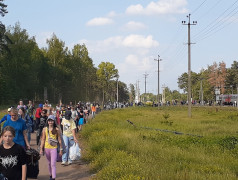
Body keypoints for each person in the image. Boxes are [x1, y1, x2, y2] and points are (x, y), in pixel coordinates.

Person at [40, 115, 63, 180]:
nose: (50, 122)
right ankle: (50, 175)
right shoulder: (44, 129)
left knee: (53, 164)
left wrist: (61, 149)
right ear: (47, 121)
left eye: (51, 121)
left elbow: (59, 140)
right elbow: (43, 139)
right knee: (49, 163)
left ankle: (53, 178)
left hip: (54, 148)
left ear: (54, 121)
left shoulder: (57, 129)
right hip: (46, 148)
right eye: (49, 120)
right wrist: (41, 149)